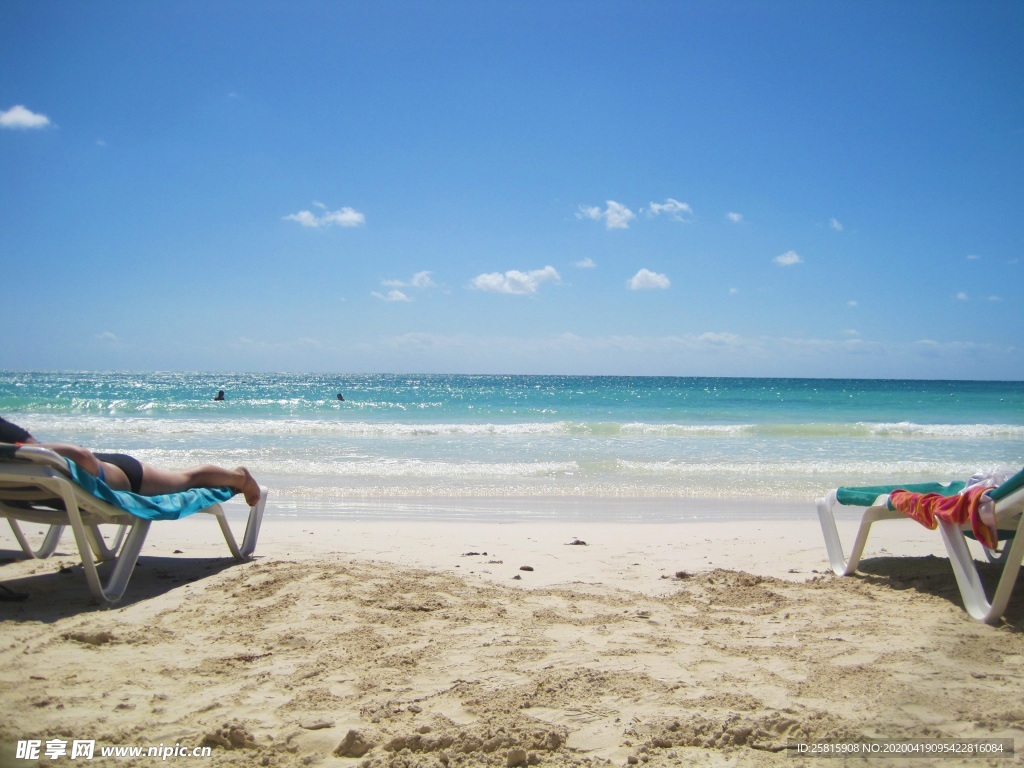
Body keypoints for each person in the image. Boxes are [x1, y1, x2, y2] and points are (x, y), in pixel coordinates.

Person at [0, 416, 262, 507]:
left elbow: (78, 455)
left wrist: (22, 449)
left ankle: (240, 478)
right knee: (186, 478)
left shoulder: (30, 455)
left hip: (118, 475)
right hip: (76, 476)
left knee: (188, 479)